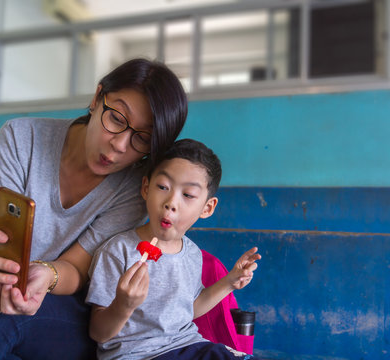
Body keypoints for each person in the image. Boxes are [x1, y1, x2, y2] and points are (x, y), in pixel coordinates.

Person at [0, 58, 188, 360]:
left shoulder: (133, 189)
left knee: (0, 315)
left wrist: (45, 275)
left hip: (77, 319)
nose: (120, 145)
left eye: (142, 138)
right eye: (116, 119)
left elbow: (75, 268)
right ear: (96, 99)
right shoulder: (22, 140)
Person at [87, 139, 262, 360]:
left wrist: (229, 282)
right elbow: (98, 333)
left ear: (207, 208)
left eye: (187, 195)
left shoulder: (192, 254)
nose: (171, 202)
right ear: (145, 188)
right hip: (138, 355)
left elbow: (190, 310)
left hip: (189, 346)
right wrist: (123, 306)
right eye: (162, 187)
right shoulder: (117, 251)